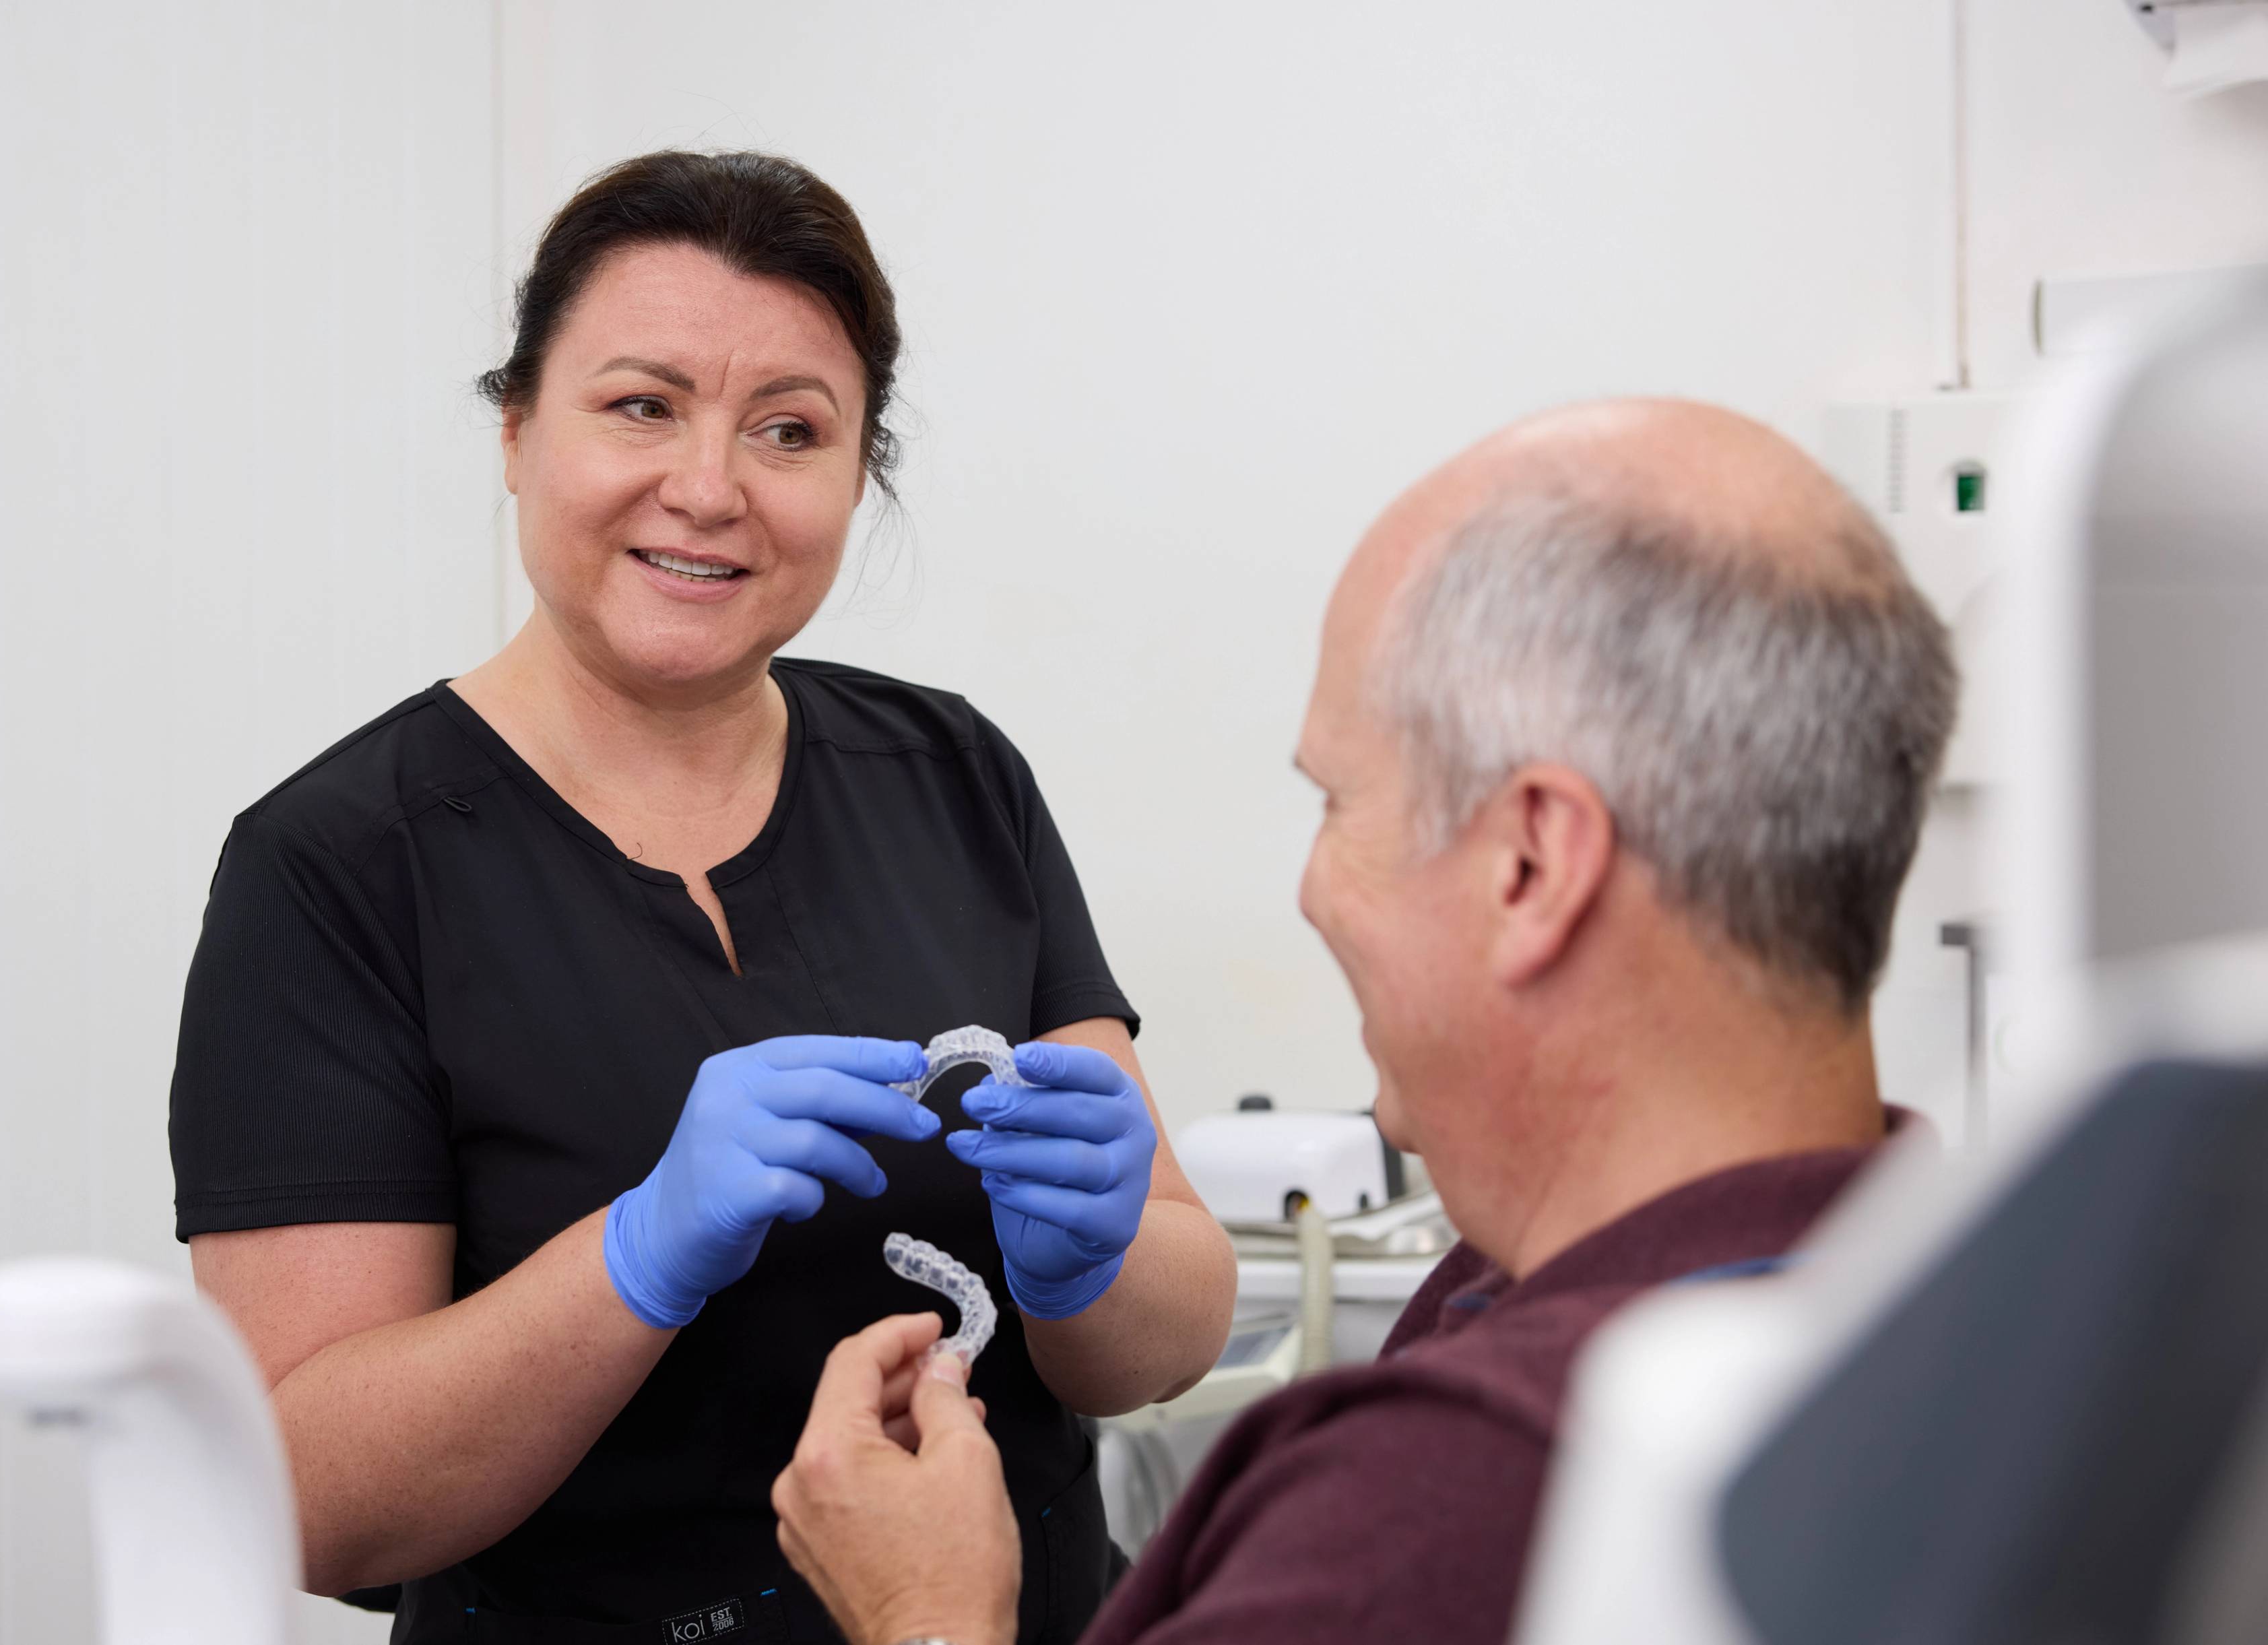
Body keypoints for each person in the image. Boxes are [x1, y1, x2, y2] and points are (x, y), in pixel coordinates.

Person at [166, 150, 1236, 1645]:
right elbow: (299, 1497)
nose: (710, 489)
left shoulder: (955, 774)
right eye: (641, 406)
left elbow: (1166, 1336)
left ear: (858, 474)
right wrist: (632, 1257)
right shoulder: (337, 867)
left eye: (790, 430)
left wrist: (1097, 1266)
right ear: (517, 429)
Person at [768, 399, 1959, 1645]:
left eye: (1339, 802)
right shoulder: (1953, 1298)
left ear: (1532, 865)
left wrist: (925, 1614)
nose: (1312, 888)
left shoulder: (1433, 1510)